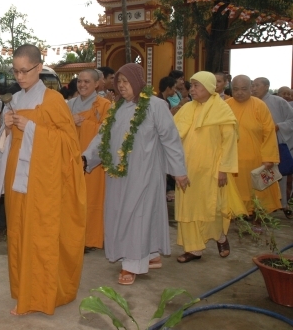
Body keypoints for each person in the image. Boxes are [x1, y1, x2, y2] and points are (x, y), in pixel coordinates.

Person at [0, 44, 86, 315]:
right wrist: (7, 128)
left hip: (42, 180)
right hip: (16, 177)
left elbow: (70, 145)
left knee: (40, 233)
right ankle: (24, 291)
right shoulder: (15, 100)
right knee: (18, 233)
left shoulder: (52, 100)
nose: (20, 77)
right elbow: (3, 146)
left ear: (39, 68)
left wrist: (32, 128)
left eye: (25, 71)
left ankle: (42, 295)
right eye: (16, 71)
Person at [84, 63, 188, 285]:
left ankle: (132, 264)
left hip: (145, 174)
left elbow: (170, 139)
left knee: (137, 216)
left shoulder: (155, 106)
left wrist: (179, 171)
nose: (122, 86)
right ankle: (150, 254)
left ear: (138, 82)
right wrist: (86, 158)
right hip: (118, 176)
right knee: (124, 215)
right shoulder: (117, 108)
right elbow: (103, 138)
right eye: (119, 82)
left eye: (126, 82)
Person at [174, 71, 244, 263]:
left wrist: (223, 169)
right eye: (192, 85)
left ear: (209, 87)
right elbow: (173, 136)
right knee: (188, 208)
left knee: (212, 207)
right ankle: (193, 249)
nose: (192, 89)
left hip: (212, 170)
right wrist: (174, 167)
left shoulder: (221, 109)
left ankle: (220, 237)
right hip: (187, 169)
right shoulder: (187, 108)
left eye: (197, 85)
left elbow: (229, 143)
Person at [67, 69, 111, 250]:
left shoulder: (104, 105)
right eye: (80, 81)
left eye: (87, 82)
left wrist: (84, 123)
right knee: (72, 198)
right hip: (71, 158)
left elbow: (106, 134)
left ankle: (90, 239)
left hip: (92, 161)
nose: (82, 85)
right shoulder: (69, 105)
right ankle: (72, 236)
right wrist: (70, 121)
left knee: (92, 198)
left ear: (96, 84)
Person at [227, 75, 280, 214]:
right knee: (235, 191)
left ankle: (257, 218)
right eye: (236, 89)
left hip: (256, 160)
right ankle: (237, 215)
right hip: (232, 159)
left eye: (244, 89)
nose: (239, 92)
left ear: (251, 88)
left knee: (258, 192)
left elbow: (269, 132)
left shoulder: (259, 105)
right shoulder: (226, 105)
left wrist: (269, 158)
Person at [252, 77, 293, 215]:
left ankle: (282, 204)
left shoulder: (279, 101)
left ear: (266, 86)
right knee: (257, 175)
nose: (254, 88)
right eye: (252, 85)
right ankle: (258, 206)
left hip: (274, 144)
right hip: (255, 145)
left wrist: (279, 127)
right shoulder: (250, 102)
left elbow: (291, 119)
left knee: (277, 174)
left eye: (257, 85)